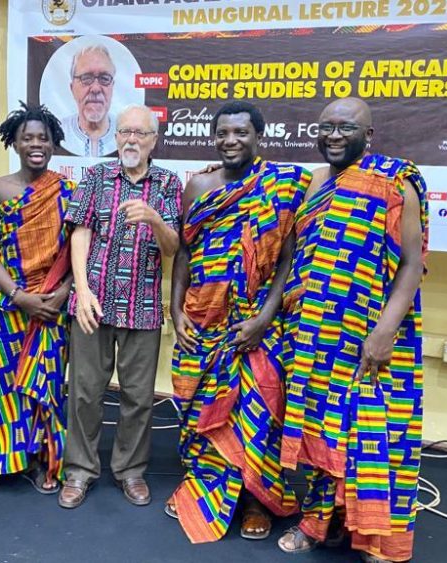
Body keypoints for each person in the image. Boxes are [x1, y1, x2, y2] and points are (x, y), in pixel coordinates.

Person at [277, 98, 428, 563]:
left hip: (374, 336)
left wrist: (384, 332)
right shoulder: (313, 182)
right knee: (324, 432)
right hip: (318, 338)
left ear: (370, 134)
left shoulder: (394, 179)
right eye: (325, 127)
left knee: (372, 434)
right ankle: (319, 522)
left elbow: (411, 264)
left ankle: (375, 535)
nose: (334, 135)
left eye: (346, 127)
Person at [165, 101, 309, 543]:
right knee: (198, 408)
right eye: (223, 133)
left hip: (254, 325)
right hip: (202, 318)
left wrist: (265, 318)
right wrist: (175, 311)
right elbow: (185, 252)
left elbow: (288, 256)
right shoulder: (198, 186)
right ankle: (204, 485)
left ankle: (253, 500)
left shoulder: (284, 186)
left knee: (256, 413)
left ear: (258, 137)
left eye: (240, 133)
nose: (231, 141)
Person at [58, 104, 182, 509]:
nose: (131, 139)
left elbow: (173, 248)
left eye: (140, 134)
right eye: (124, 132)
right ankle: (79, 470)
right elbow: (80, 233)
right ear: (115, 137)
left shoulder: (167, 183)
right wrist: (83, 290)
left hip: (143, 306)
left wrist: (155, 220)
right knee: (84, 393)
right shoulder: (95, 176)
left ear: (153, 141)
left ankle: (130, 471)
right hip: (93, 304)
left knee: (138, 396)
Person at [0, 102, 75, 502]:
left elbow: (79, 252)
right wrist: (18, 296)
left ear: (54, 142)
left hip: (52, 307)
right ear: (15, 143)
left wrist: (61, 293)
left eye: (43, 138)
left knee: (46, 385)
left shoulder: (69, 190)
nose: (36, 144)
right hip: (8, 303)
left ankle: (42, 458)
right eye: (28, 138)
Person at [59, 44, 117, 157]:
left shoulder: (128, 134)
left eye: (104, 78)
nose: (95, 89)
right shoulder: (54, 134)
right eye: (86, 78)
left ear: (112, 87)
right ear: (72, 88)